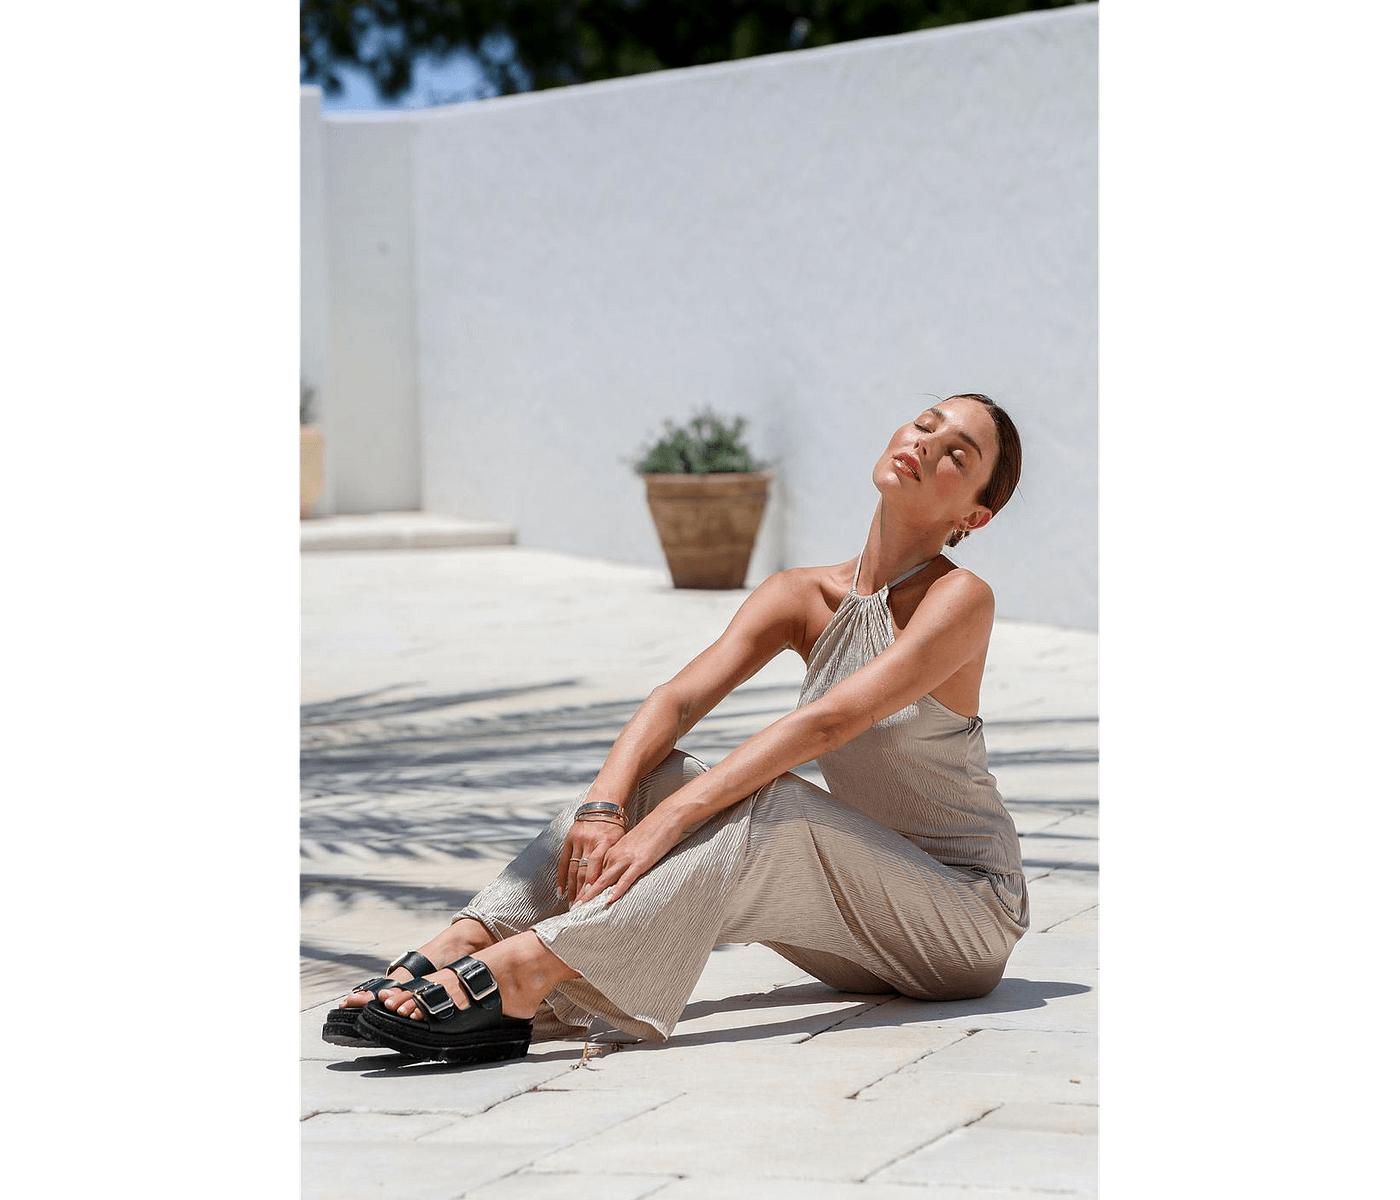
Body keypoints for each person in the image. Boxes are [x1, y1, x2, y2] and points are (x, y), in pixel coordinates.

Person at [324, 392, 1029, 1064]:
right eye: (925, 424)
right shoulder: (801, 594)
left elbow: (829, 722)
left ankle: (526, 971)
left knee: (768, 806)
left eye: (957, 454)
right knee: (651, 774)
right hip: (855, 928)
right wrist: (605, 808)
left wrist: (665, 825)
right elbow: (677, 701)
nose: (926, 444)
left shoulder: (959, 598)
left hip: (961, 920)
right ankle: (467, 939)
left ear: (975, 515)